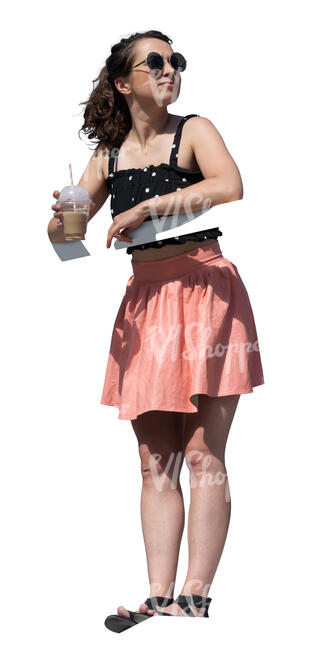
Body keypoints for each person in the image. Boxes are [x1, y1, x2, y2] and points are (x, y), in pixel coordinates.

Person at [48, 29, 265, 630]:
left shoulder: (193, 130)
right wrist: (63, 216)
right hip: (145, 305)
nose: (170, 70)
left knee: (203, 453)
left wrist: (146, 209)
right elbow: (67, 235)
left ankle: (197, 590)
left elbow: (229, 186)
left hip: (205, 292)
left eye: (176, 61)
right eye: (156, 62)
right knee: (155, 462)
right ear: (124, 82)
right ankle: (159, 592)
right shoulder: (108, 156)